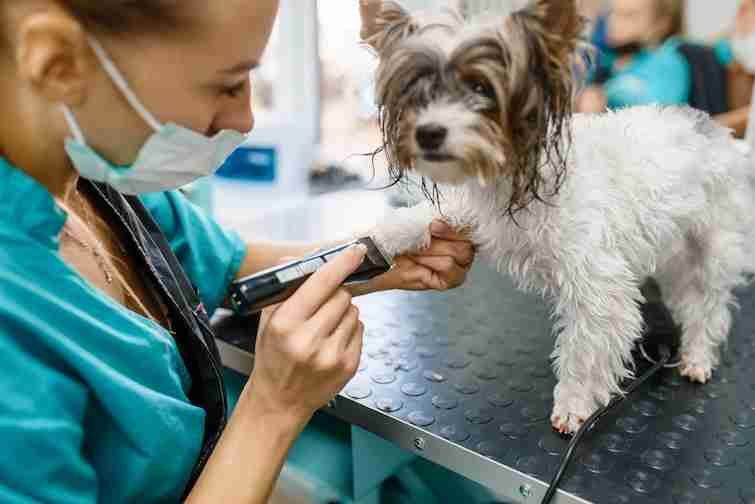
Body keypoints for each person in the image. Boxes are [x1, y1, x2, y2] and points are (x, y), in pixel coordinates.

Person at [0, 1, 477, 503]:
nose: (244, 119)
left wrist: (376, 257)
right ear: (57, 62)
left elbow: (233, 266)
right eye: (227, 84)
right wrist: (274, 406)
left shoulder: (91, 173)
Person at [577, 0, 689, 112]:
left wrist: (605, 100)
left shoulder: (668, 62)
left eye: (628, 15)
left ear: (661, 23)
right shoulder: (605, 62)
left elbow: (658, 107)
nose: (613, 22)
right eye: (611, 12)